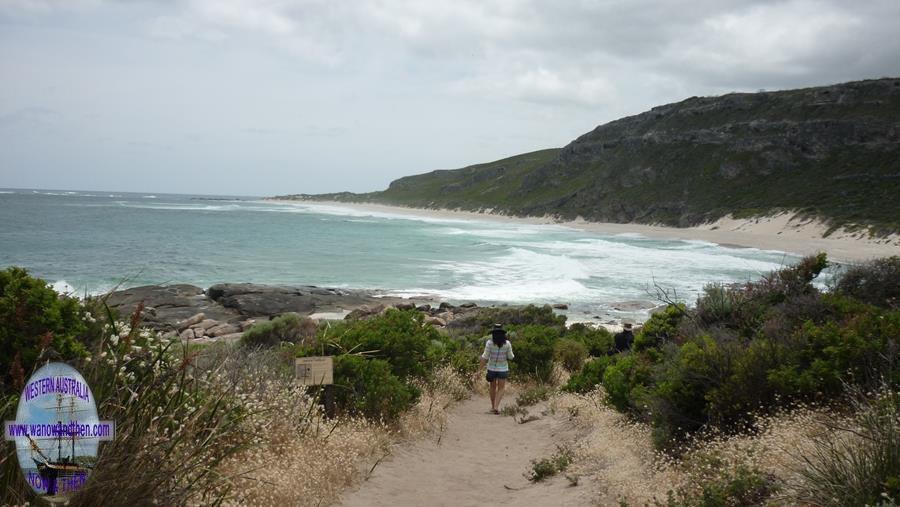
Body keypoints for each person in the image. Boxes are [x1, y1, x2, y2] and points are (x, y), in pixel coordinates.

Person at [480, 323, 514, 414]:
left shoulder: (489, 343)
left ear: (493, 334)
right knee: (501, 388)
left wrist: (479, 370)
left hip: (491, 369)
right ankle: (496, 406)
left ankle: (492, 407)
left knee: (492, 387)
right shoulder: (507, 344)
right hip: (503, 369)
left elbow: (485, 357)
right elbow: (511, 357)